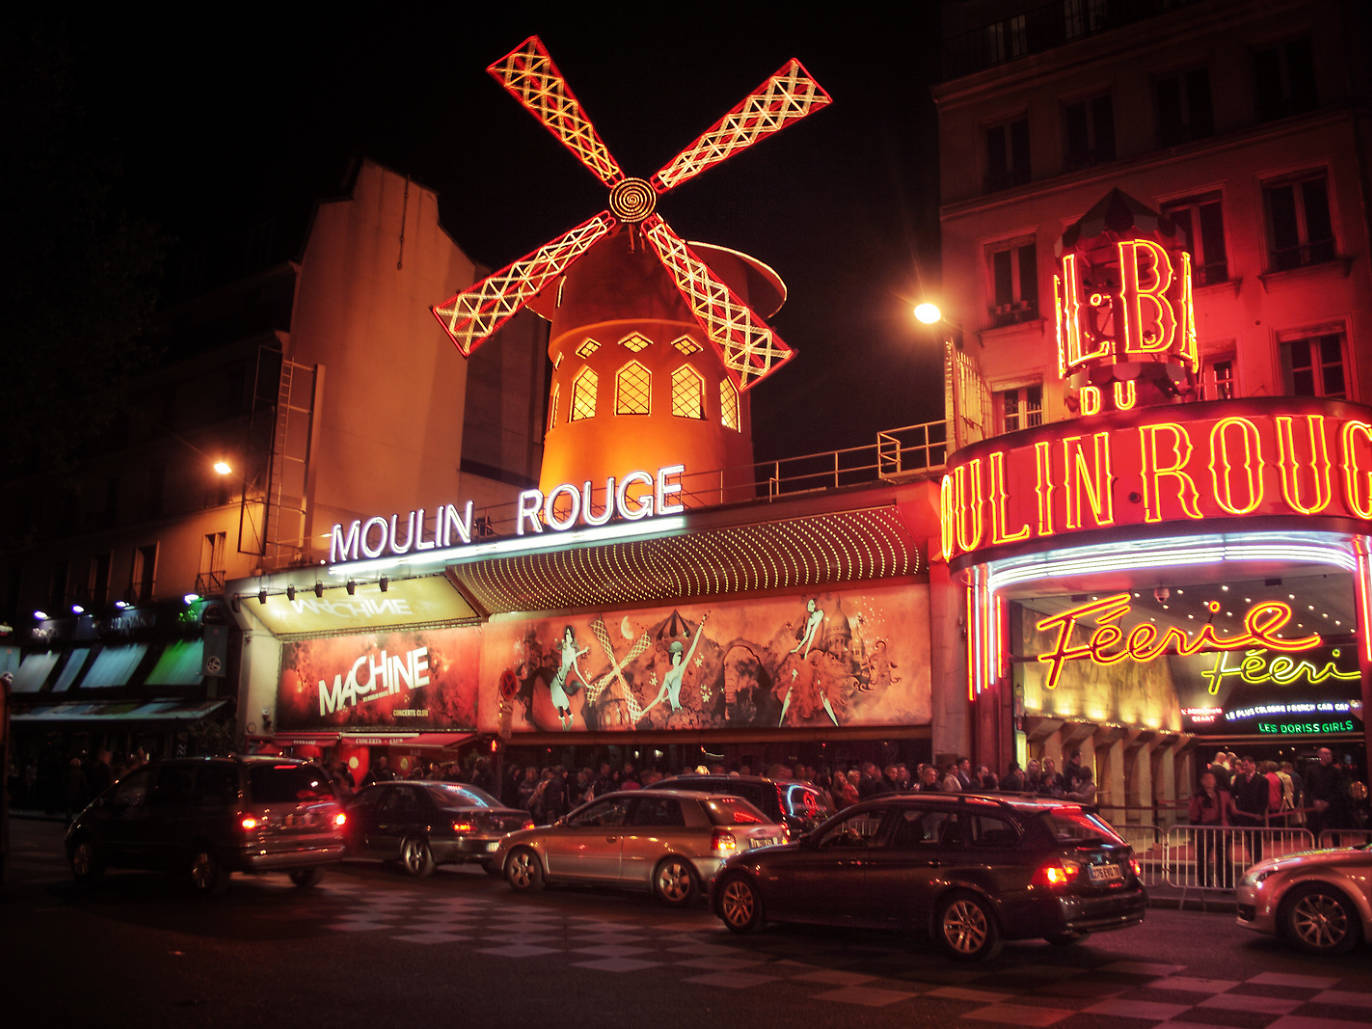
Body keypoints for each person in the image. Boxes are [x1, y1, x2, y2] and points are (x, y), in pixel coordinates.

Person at [1189, 770, 1237, 887]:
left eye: (1211, 779)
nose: (1209, 781)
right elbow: (1193, 815)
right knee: (1203, 859)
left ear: (1215, 781)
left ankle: (1227, 884)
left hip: (1222, 831)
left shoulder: (1224, 794)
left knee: (1224, 859)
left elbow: (1232, 811)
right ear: (1202, 781)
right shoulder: (1198, 797)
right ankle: (1205, 884)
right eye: (1207, 779)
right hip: (1204, 832)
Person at [1230, 756, 1270, 864]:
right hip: (1243, 814)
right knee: (1248, 838)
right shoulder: (1239, 778)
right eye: (1243, 765)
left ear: (1253, 765)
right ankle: (1253, 859)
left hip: (1256, 815)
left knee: (1257, 839)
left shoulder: (1262, 780)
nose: (1244, 767)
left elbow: (1265, 799)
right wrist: (1233, 806)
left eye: (1246, 765)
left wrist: (1260, 813)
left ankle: (1257, 861)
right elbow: (1233, 794)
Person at [1305, 747, 1349, 843]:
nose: (1328, 756)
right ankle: (1316, 850)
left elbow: (1339, 788)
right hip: (1315, 805)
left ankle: (1336, 850)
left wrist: (1328, 802)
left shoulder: (1336, 771)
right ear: (1319, 755)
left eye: (1329, 754)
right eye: (1325, 753)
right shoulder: (1311, 770)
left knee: (1334, 829)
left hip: (1332, 805)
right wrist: (1314, 801)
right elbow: (1308, 788)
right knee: (1315, 830)